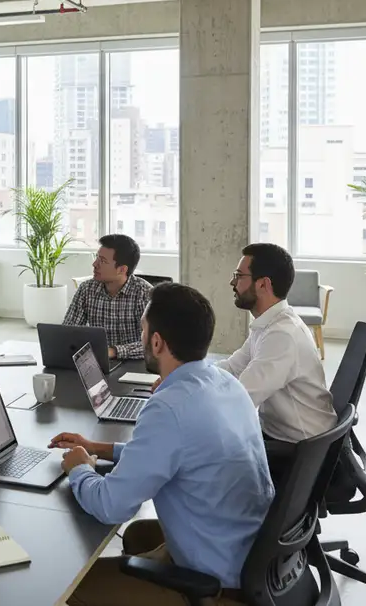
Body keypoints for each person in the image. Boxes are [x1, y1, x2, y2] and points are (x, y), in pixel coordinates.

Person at [50, 282, 273, 606]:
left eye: (142, 330)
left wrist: (80, 469)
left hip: (218, 584)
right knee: (138, 534)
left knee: (67, 585)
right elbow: (179, 452)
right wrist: (100, 449)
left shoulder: (169, 407)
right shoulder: (226, 382)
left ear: (156, 342)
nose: (141, 337)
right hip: (250, 552)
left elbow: (111, 506)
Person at [217, 243, 336, 484]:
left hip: (301, 454)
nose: (232, 282)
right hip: (283, 438)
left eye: (239, 276)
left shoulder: (282, 335)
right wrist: (185, 376)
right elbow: (232, 367)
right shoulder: (269, 324)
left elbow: (239, 400)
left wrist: (185, 398)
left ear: (263, 284)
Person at [63, 234, 153, 360]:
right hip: (96, 361)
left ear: (122, 269)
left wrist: (113, 351)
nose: (94, 264)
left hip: (135, 363)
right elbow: (68, 332)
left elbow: (152, 345)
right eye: (97, 258)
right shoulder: (87, 289)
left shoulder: (144, 294)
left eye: (103, 261)